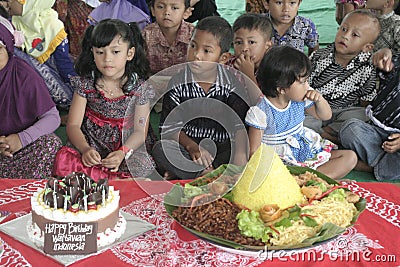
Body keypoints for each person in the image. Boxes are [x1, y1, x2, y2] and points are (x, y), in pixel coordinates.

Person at [53, 19, 155, 180]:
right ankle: (114, 181)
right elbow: (73, 125)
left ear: (130, 53)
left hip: (126, 145)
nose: (107, 59)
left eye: (115, 52)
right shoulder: (86, 84)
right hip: (92, 143)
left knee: (142, 165)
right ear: (92, 53)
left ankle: (109, 179)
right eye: (100, 52)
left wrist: (122, 153)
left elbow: (140, 131)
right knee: (64, 160)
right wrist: (85, 149)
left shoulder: (140, 88)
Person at [152, 16, 250, 179]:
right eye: (193, 46)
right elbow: (169, 128)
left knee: (243, 150)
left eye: (207, 51)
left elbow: (239, 127)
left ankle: (189, 174)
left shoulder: (232, 84)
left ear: (223, 58)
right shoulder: (178, 83)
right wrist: (192, 147)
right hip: (190, 149)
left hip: (222, 149)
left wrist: (240, 156)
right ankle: (206, 174)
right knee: (161, 148)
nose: (196, 55)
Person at [246, 45, 357, 180]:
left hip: (306, 152)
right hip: (283, 164)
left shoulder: (300, 98)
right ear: (282, 89)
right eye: (302, 82)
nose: (307, 86)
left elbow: (325, 116)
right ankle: (306, 182)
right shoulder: (261, 112)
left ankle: (309, 181)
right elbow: (254, 152)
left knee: (350, 157)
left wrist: (320, 100)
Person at [0, 16, 62, 179]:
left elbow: (53, 118)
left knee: (50, 144)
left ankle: (24, 190)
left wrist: (21, 139)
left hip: (22, 150)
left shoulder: (24, 75)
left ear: (8, 49)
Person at [305, 9, 380, 143]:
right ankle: (326, 135)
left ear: (367, 47)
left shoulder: (367, 66)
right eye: (344, 29)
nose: (345, 36)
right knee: (301, 118)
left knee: (362, 115)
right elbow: (304, 84)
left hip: (344, 111)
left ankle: (327, 133)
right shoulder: (319, 56)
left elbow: (366, 99)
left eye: (355, 35)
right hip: (316, 109)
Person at [340, 48, 400, 180]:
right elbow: (386, 65)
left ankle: (368, 166)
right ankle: (380, 165)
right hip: (376, 131)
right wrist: (383, 56)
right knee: (351, 128)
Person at [142, 0, 194, 76]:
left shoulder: (194, 35)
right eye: (160, 7)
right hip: (152, 85)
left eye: (174, 8)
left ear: (187, 12)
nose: (167, 12)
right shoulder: (144, 36)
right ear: (153, 10)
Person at [229, 13, 273, 86]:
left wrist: (248, 75)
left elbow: (261, 97)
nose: (244, 48)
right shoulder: (228, 65)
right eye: (239, 42)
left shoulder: (273, 71)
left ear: (267, 46)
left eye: (251, 42)